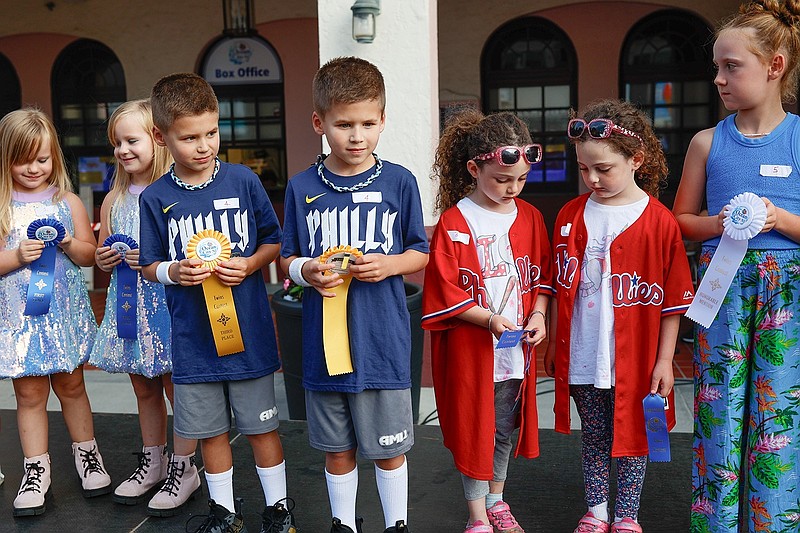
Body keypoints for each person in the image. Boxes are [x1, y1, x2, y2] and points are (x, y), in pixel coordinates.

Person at [138, 73, 296, 533]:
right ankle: (225, 513)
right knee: (210, 432)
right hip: (193, 341)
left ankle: (279, 510)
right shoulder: (156, 198)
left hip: (248, 335)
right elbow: (148, 264)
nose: (204, 145)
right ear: (160, 136)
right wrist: (174, 271)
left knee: (263, 426)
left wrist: (248, 266)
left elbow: (274, 241)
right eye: (189, 137)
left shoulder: (244, 181)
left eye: (211, 132)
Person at [280, 57, 429, 533]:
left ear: (384, 119)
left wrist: (389, 265)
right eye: (344, 124)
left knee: (389, 448)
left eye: (368, 123)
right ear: (319, 123)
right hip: (324, 349)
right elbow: (286, 258)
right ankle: (344, 524)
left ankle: (396, 523)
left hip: (383, 341)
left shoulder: (399, 182)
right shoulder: (302, 187)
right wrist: (307, 270)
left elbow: (420, 253)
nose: (357, 136)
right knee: (336, 446)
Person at [672, 2, 800, 531]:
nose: (718, 78)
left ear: (774, 67)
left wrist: (778, 218)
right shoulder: (707, 143)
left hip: (786, 295)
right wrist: (719, 223)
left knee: (779, 416)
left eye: (732, 66)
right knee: (718, 411)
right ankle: (715, 525)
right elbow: (681, 219)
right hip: (720, 289)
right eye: (717, 67)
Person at [545, 99, 694, 533]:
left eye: (603, 169)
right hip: (587, 353)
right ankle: (596, 510)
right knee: (593, 435)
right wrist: (556, 343)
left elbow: (672, 304)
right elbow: (557, 291)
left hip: (636, 358)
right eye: (583, 169)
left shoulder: (660, 222)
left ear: (636, 159)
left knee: (636, 435)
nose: (592, 178)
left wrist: (665, 360)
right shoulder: (571, 215)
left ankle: (627, 515)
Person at [421, 109, 552, 533]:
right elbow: (444, 289)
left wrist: (537, 314)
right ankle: (476, 514)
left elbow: (544, 279)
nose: (512, 189)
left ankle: (497, 499)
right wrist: (490, 319)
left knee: (502, 426)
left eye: (521, 181)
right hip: (473, 351)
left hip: (515, 351)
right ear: (475, 168)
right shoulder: (454, 222)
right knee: (473, 427)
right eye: (502, 180)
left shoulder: (530, 218)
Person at [88, 99, 201, 515]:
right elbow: (103, 251)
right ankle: (153, 459)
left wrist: (155, 260)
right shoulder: (114, 199)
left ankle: (184, 466)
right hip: (130, 306)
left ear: (157, 140)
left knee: (176, 387)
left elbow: (188, 247)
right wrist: (103, 259)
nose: (122, 149)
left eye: (131, 140)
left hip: (168, 304)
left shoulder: (172, 194)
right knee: (143, 386)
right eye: (116, 142)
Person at [0, 108, 113, 516]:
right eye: (23, 159)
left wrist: (67, 241)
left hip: (62, 317)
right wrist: (15, 255)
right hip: (19, 321)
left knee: (72, 386)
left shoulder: (67, 201)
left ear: (55, 158)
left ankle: (89, 457)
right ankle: (35, 471)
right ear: (5, 159)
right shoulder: (1, 206)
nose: (34, 168)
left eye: (43, 159)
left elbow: (88, 256)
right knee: (28, 394)